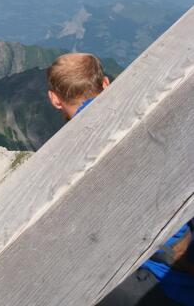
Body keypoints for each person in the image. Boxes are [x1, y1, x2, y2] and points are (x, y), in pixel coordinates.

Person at [47, 53, 194, 305]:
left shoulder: (65, 160)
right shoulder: (150, 115)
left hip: (164, 282)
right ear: (105, 84)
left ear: (55, 100)